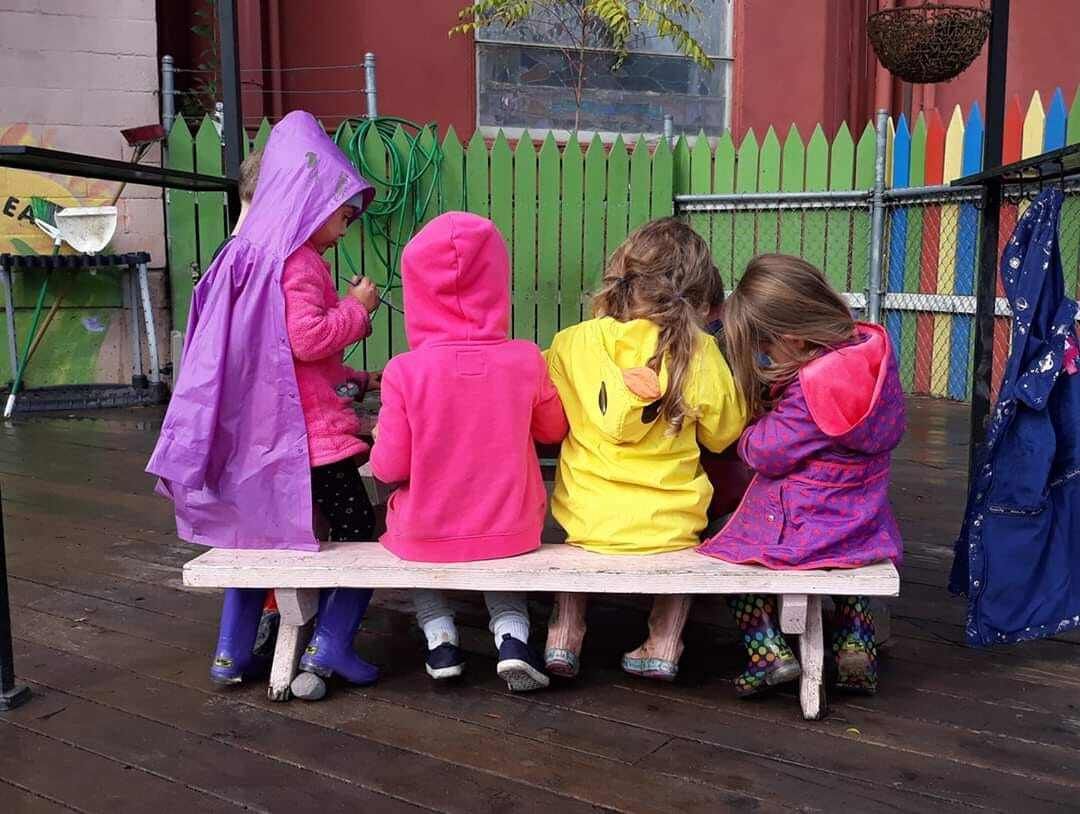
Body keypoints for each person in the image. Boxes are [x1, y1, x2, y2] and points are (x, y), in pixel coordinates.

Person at [146, 111, 379, 692]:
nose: (345, 230)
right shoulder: (298, 262)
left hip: (259, 435)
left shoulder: (244, 255)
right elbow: (306, 339)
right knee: (359, 538)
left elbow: (279, 356)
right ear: (310, 201)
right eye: (343, 216)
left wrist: (353, 376)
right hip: (311, 441)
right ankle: (331, 647)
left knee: (252, 540)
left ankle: (229, 654)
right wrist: (358, 311)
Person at [369, 211, 568, 692]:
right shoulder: (525, 358)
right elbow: (554, 429)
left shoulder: (404, 371)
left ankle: (441, 641)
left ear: (417, 290)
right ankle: (513, 638)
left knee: (411, 536)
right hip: (510, 529)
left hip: (427, 531)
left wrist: (379, 439)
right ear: (497, 283)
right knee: (498, 544)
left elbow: (389, 467)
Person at [543, 218, 747, 681]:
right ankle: (664, 643)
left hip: (588, 519)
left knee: (579, 530)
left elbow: (551, 422)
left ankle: (564, 636)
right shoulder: (699, 350)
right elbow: (723, 434)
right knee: (685, 537)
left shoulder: (572, 343)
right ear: (695, 288)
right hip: (672, 524)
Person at [698, 254, 905, 696]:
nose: (763, 357)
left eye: (765, 349)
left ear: (792, 339)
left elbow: (764, 454)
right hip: (863, 523)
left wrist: (751, 426)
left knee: (726, 553)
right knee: (848, 569)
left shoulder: (812, 390)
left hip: (810, 526)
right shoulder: (870, 358)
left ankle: (767, 651)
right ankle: (856, 643)